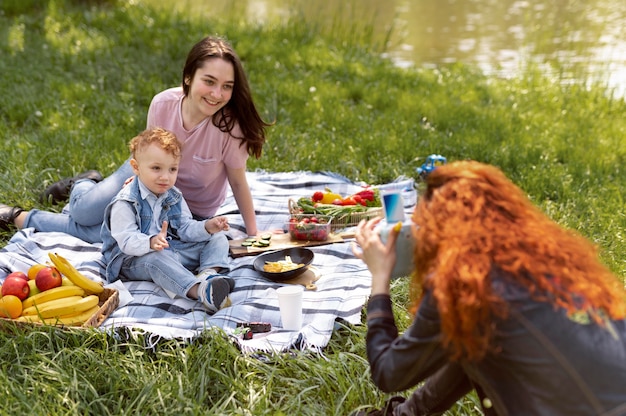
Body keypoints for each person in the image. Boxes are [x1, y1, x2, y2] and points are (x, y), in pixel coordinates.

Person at [352, 160, 626, 416]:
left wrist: (380, 277)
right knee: (476, 336)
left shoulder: (462, 284)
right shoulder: (550, 261)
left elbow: (389, 373)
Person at [0, 35, 271, 241]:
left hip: (190, 210)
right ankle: (82, 186)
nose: (216, 94)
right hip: (146, 176)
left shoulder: (231, 127)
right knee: (83, 213)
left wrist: (253, 233)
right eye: (209, 81)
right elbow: (148, 156)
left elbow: (237, 181)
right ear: (188, 77)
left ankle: (18, 216)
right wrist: (133, 198)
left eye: (227, 87)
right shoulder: (163, 103)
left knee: (106, 235)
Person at [101, 128, 234, 312]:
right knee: (156, 259)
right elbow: (126, 241)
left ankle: (208, 275)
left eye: (172, 169)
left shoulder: (173, 195)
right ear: (136, 167)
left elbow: (185, 227)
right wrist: (150, 242)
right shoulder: (125, 202)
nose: (165, 176)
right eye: (156, 168)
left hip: (170, 248)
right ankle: (201, 291)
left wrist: (207, 227)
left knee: (217, 238)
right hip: (133, 260)